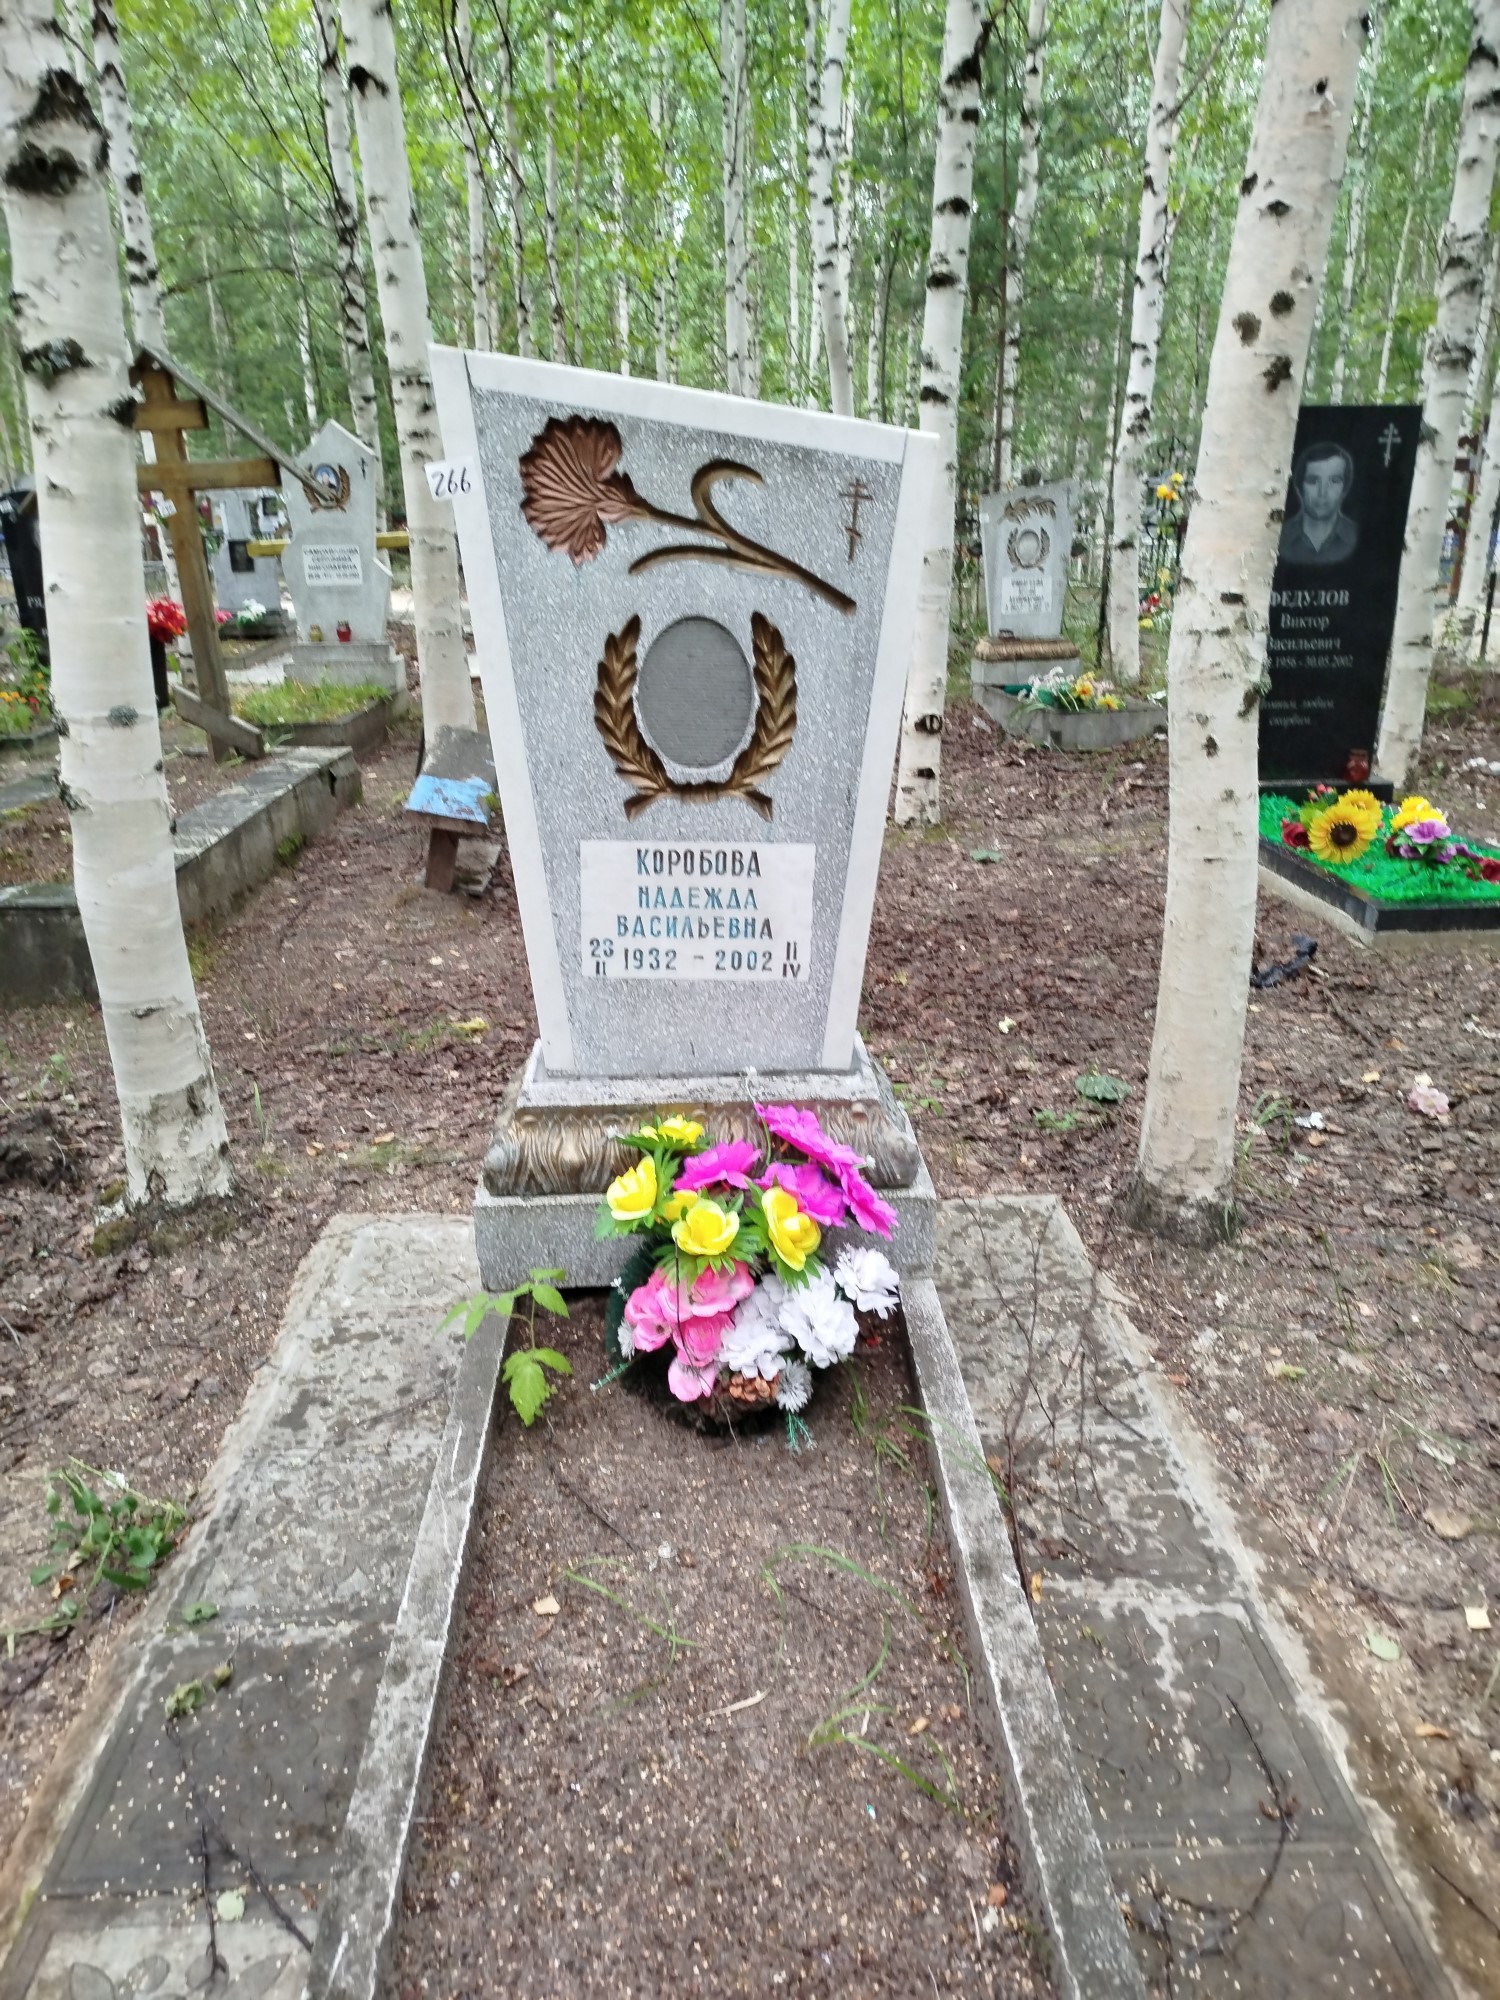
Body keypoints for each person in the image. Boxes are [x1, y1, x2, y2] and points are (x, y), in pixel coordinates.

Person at [1278, 442, 1359, 566]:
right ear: (1299, 487)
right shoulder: (1278, 537)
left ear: (1345, 489)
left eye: (1334, 481)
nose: (1322, 493)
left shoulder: (1359, 538)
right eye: (1313, 481)